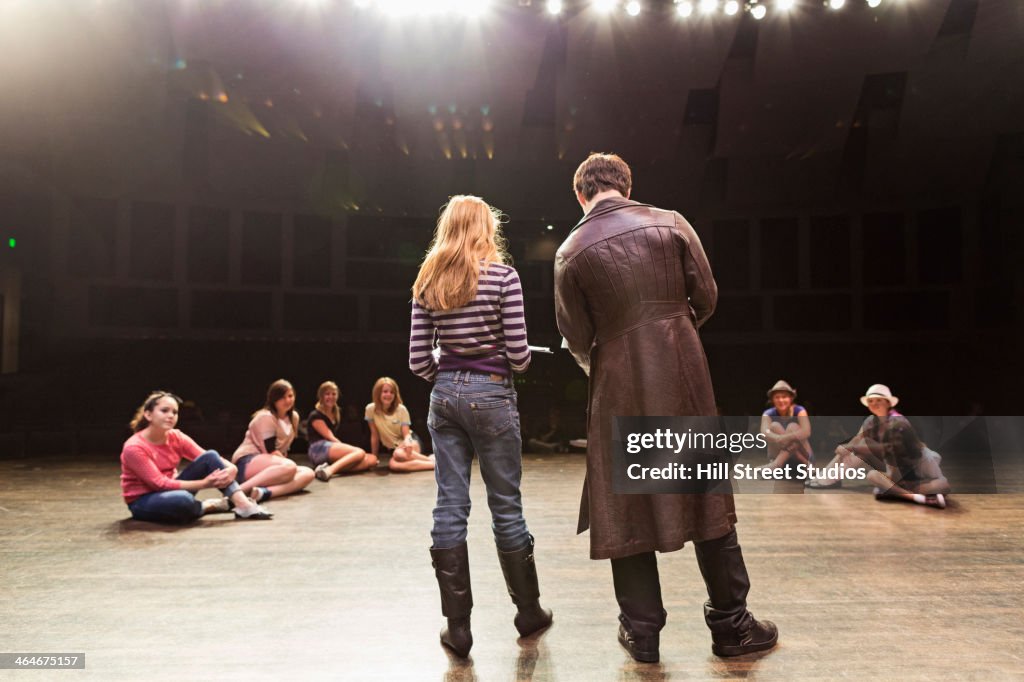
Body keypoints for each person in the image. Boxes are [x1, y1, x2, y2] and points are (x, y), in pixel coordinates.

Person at [554, 153, 776, 661]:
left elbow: (575, 335)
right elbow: (709, 296)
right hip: (683, 374)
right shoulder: (671, 223)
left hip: (615, 386)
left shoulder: (570, 250)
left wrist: (614, 354)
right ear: (627, 187)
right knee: (706, 496)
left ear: (581, 195)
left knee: (627, 506)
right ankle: (732, 628)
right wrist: (674, 335)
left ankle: (642, 633)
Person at [410, 195, 552, 658]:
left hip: (444, 396)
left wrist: (451, 376)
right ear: (486, 228)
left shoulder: (427, 278)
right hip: (493, 394)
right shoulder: (503, 277)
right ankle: (528, 613)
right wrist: (508, 362)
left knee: (449, 506)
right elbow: (519, 357)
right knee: (506, 506)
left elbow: (416, 361)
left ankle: (459, 630)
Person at [120, 391, 272, 523]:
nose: (171, 416)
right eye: (164, 411)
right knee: (183, 501)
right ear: (148, 414)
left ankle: (244, 505)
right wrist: (205, 483)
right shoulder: (135, 447)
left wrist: (231, 468)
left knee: (210, 456)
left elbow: (208, 458)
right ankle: (207, 506)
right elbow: (159, 484)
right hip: (144, 501)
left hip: (171, 489)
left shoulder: (176, 436)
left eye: (175, 412)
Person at [806, 384, 950, 508]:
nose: (874, 404)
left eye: (879, 400)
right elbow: (858, 439)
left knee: (859, 450)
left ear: (888, 403)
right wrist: (846, 447)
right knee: (855, 453)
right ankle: (827, 478)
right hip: (893, 465)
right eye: (871, 401)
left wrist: (853, 447)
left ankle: (909, 495)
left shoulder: (898, 422)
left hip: (912, 464)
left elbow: (891, 448)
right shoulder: (871, 420)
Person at [232, 379, 315, 502]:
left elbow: (283, 450)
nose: (288, 400)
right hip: (248, 461)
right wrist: (286, 467)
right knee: (290, 467)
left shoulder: (294, 417)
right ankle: (237, 492)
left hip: (273, 464)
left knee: (308, 473)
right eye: (282, 397)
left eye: (290, 396)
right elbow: (270, 450)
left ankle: (265, 493)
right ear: (274, 399)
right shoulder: (266, 417)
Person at [308, 380, 378, 481]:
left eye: (333, 394)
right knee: (360, 453)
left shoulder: (335, 413)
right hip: (318, 449)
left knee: (372, 459)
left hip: (330, 448)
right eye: (327, 394)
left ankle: (326, 469)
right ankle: (330, 470)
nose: (331, 397)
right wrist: (348, 449)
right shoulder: (316, 415)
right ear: (321, 396)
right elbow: (329, 437)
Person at [365, 377, 435, 473]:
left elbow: (407, 434)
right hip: (395, 449)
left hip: (410, 442)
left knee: (399, 454)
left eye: (392, 392)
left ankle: (434, 462)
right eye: (385, 391)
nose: (389, 394)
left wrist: (407, 442)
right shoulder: (370, 409)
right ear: (378, 393)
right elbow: (374, 435)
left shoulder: (401, 409)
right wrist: (375, 457)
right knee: (393, 465)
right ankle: (434, 463)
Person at [760, 380, 813, 470]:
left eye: (784, 397)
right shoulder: (768, 413)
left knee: (793, 427)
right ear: (772, 399)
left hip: (802, 458)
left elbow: (806, 431)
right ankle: (801, 463)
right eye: (777, 397)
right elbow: (764, 432)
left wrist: (784, 438)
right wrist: (778, 438)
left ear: (791, 398)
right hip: (779, 455)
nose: (781, 400)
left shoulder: (800, 410)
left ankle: (777, 464)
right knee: (774, 426)